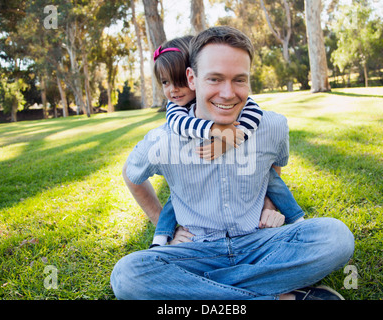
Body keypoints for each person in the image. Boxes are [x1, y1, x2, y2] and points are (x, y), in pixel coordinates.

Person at [111, 26, 354, 300]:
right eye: (215, 79)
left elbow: (273, 166)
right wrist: (164, 225)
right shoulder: (164, 139)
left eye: (239, 80)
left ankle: (200, 291)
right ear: (192, 78)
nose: (227, 94)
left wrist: (269, 204)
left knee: (336, 236)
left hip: (259, 243)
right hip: (195, 250)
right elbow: (132, 175)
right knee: (127, 276)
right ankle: (281, 296)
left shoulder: (272, 126)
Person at [150, 35, 305, 247]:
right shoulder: (175, 109)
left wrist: (230, 139)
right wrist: (214, 129)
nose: (173, 90)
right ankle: (161, 238)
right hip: (198, 227)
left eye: (178, 82)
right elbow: (179, 125)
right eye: (166, 82)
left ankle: (298, 219)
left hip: (250, 230)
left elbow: (254, 113)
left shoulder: (239, 105)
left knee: (333, 234)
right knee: (174, 199)